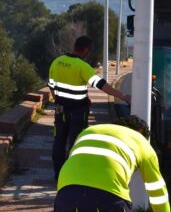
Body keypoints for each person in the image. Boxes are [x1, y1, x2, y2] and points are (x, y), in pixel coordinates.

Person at [48, 36, 131, 179]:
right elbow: (102, 85)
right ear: (86, 50)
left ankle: (58, 174)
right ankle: (72, 175)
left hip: (60, 109)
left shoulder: (57, 62)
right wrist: (122, 96)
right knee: (76, 143)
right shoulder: (82, 67)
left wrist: (58, 101)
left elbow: (51, 86)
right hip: (78, 112)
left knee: (59, 141)